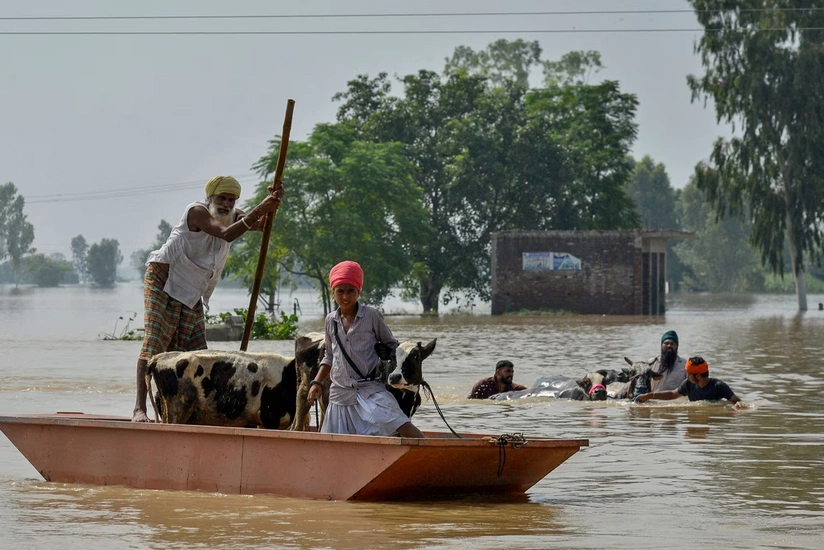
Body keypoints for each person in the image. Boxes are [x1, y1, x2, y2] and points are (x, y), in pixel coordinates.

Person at [132, 175, 283, 422]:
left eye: (231, 200)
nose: (226, 204)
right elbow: (226, 234)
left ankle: (184, 411)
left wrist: (275, 200)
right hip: (164, 278)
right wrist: (261, 208)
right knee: (155, 343)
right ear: (210, 197)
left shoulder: (234, 216)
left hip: (191, 290)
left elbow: (264, 224)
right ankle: (139, 409)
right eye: (222, 198)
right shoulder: (197, 212)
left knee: (195, 354)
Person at [306, 260, 425, 438]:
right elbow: (329, 356)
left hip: (369, 389)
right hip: (340, 394)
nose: (345, 297)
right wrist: (316, 383)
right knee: (335, 443)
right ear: (333, 293)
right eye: (340, 291)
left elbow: (391, 346)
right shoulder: (331, 320)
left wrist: (405, 369)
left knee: (401, 425)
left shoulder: (371, 316)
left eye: (350, 291)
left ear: (358, 292)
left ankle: (429, 457)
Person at [634, 356, 745, 408]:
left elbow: (736, 401)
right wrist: (649, 395)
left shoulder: (719, 386)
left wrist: (739, 405)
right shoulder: (688, 384)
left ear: (697, 375)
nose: (687, 376)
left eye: (689, 373)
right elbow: (672, 394)